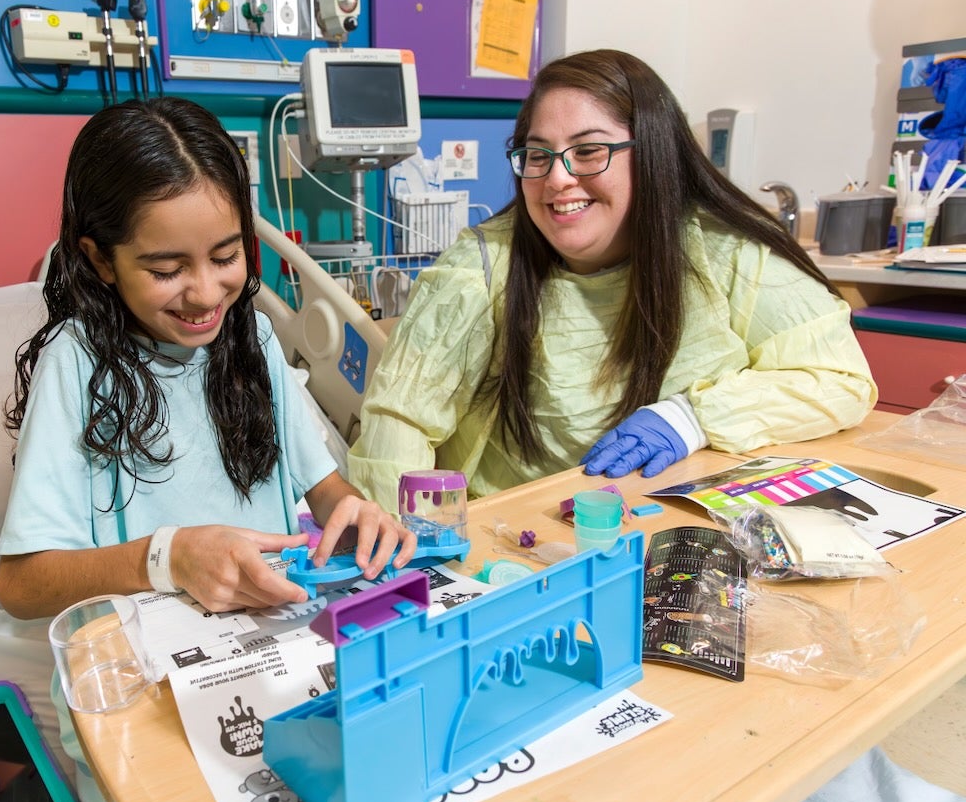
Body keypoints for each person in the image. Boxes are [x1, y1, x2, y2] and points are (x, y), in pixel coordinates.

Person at [0, 97, 414, 802]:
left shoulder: (246, 335)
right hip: (147, 695)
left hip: (279, 662)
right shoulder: (79, 365)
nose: (205, 293)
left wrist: (356, 511)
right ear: (99, 259)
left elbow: (324, 490)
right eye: (165, 269)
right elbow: (22, 585)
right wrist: (168, 557)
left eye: (226, 256)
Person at [348, 49, 877, 512]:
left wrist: (690, 417)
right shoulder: (482, 269)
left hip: (682, 535)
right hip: (522, 546)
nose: (557, 179)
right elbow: (399, 429)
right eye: (538, 155)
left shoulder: (725, 255)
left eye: (588, 151)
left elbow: (839, 379)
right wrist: (408, 549)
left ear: (653, 156)